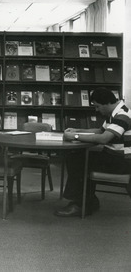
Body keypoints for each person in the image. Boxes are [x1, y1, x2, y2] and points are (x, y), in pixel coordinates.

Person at [55, 87, 131, 217]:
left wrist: (75, 137)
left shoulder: (122, 115)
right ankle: (87, 201)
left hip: (122, 162)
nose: (96, 110)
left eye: (97, 106)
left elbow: (103, 138)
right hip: (116, 157)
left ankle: (80, 204)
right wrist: (77, 130)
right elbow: (100, 131)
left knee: (77, 160)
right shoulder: (116, 112)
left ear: (107, 103)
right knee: (78, 156)